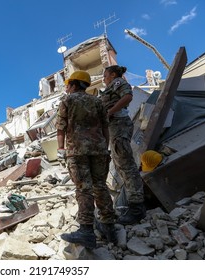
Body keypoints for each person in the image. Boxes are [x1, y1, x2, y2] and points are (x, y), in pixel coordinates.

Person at [56, 70, 117, 248]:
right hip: (99, 150)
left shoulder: (67, 100)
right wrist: (105, 147)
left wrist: (60, 149)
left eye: (68, 85)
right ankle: (109, 227)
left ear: (74, 85)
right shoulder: (98, 101)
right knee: (100, 186)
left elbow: (61, 127)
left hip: (77, 151)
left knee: (84, 189)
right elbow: (106, 127)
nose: (66, 88)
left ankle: (86, 231)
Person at [100, 65, 146, 225]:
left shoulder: (118, 82)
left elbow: (127, 97)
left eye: (105, 76)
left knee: (127, 165)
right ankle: (132, 205)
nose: (104, 79)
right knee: (121, 165)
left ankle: (137, 209)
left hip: (119, 124)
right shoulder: (111, 86)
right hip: (114, 127)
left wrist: (110, 112)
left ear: (113, 75)